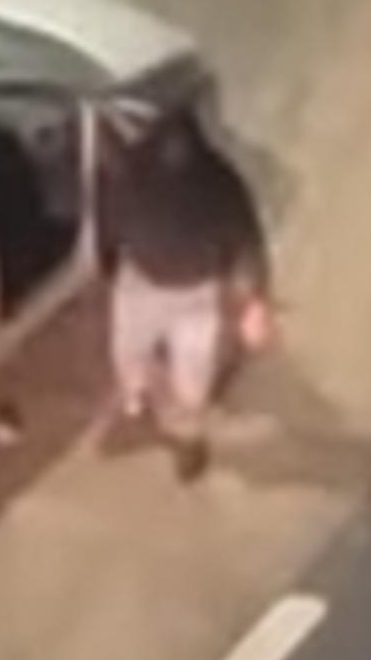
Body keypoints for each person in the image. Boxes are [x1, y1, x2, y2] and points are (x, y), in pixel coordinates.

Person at [99, 100, 274, 483]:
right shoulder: (131, 171)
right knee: (128, 353)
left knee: (191, 380)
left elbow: (247, 243)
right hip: (141, 284)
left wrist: (254, 303)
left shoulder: (218, 184)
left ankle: (187, 438)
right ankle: (137, 398)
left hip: (195, 294)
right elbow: (109, 225)